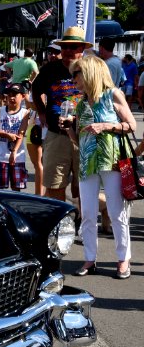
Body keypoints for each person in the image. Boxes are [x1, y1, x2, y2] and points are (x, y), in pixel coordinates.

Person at [60, 55, 136, 279]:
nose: (74, 80)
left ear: (90, 72)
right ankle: (90, 259)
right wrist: (68, 129)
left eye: (77, 74)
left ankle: (124, 259)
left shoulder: (112, 94)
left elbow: (131, 125)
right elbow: (79, 140)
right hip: (87, 162)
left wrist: (106, 125)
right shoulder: (81, 102)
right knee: (88, 214)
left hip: (111, 161)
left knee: (116, 212)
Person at [31, 26, 88, 202]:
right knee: (55, 183)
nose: (68, 50)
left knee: (83, 183)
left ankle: (80, 219)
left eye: (73, 47)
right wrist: (41, 111)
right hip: (56, 134)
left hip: (85, 135)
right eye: (64, 47)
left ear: (82, 49)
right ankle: (61, 222)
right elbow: (35, 88)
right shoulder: (50, 68)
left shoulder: (90, 68)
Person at [0, 83, 30, 191]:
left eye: (15, 95)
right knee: (0, 189)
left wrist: (14, 152)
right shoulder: (1, 110)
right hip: (1, 156)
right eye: (9, 95)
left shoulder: (24, 113)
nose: (11, 98)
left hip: (17, 156)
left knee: (16, 188)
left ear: (23, 96)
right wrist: (6, 135)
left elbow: (21, 133)